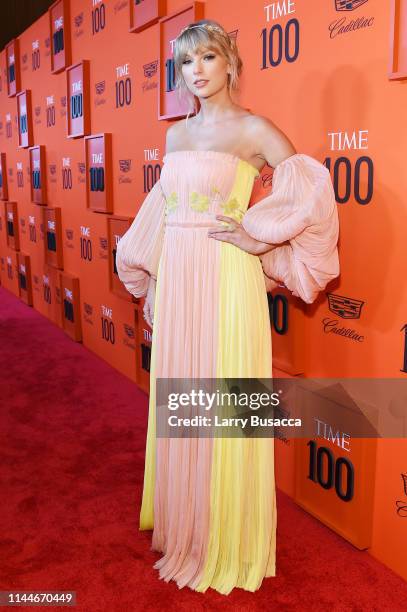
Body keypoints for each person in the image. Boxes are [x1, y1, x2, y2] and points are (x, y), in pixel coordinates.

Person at [115, 19, 340, 595]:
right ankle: (188, 524)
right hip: (183, 274)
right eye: (186, 63)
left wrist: (260, 239)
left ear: (230, 63)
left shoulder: (255, 128)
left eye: (208, 58)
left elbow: (309, 195)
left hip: (228, 275)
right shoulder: (175, 136)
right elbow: (163, 214)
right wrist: (158, 278)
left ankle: (229, 539)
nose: (197, 72)